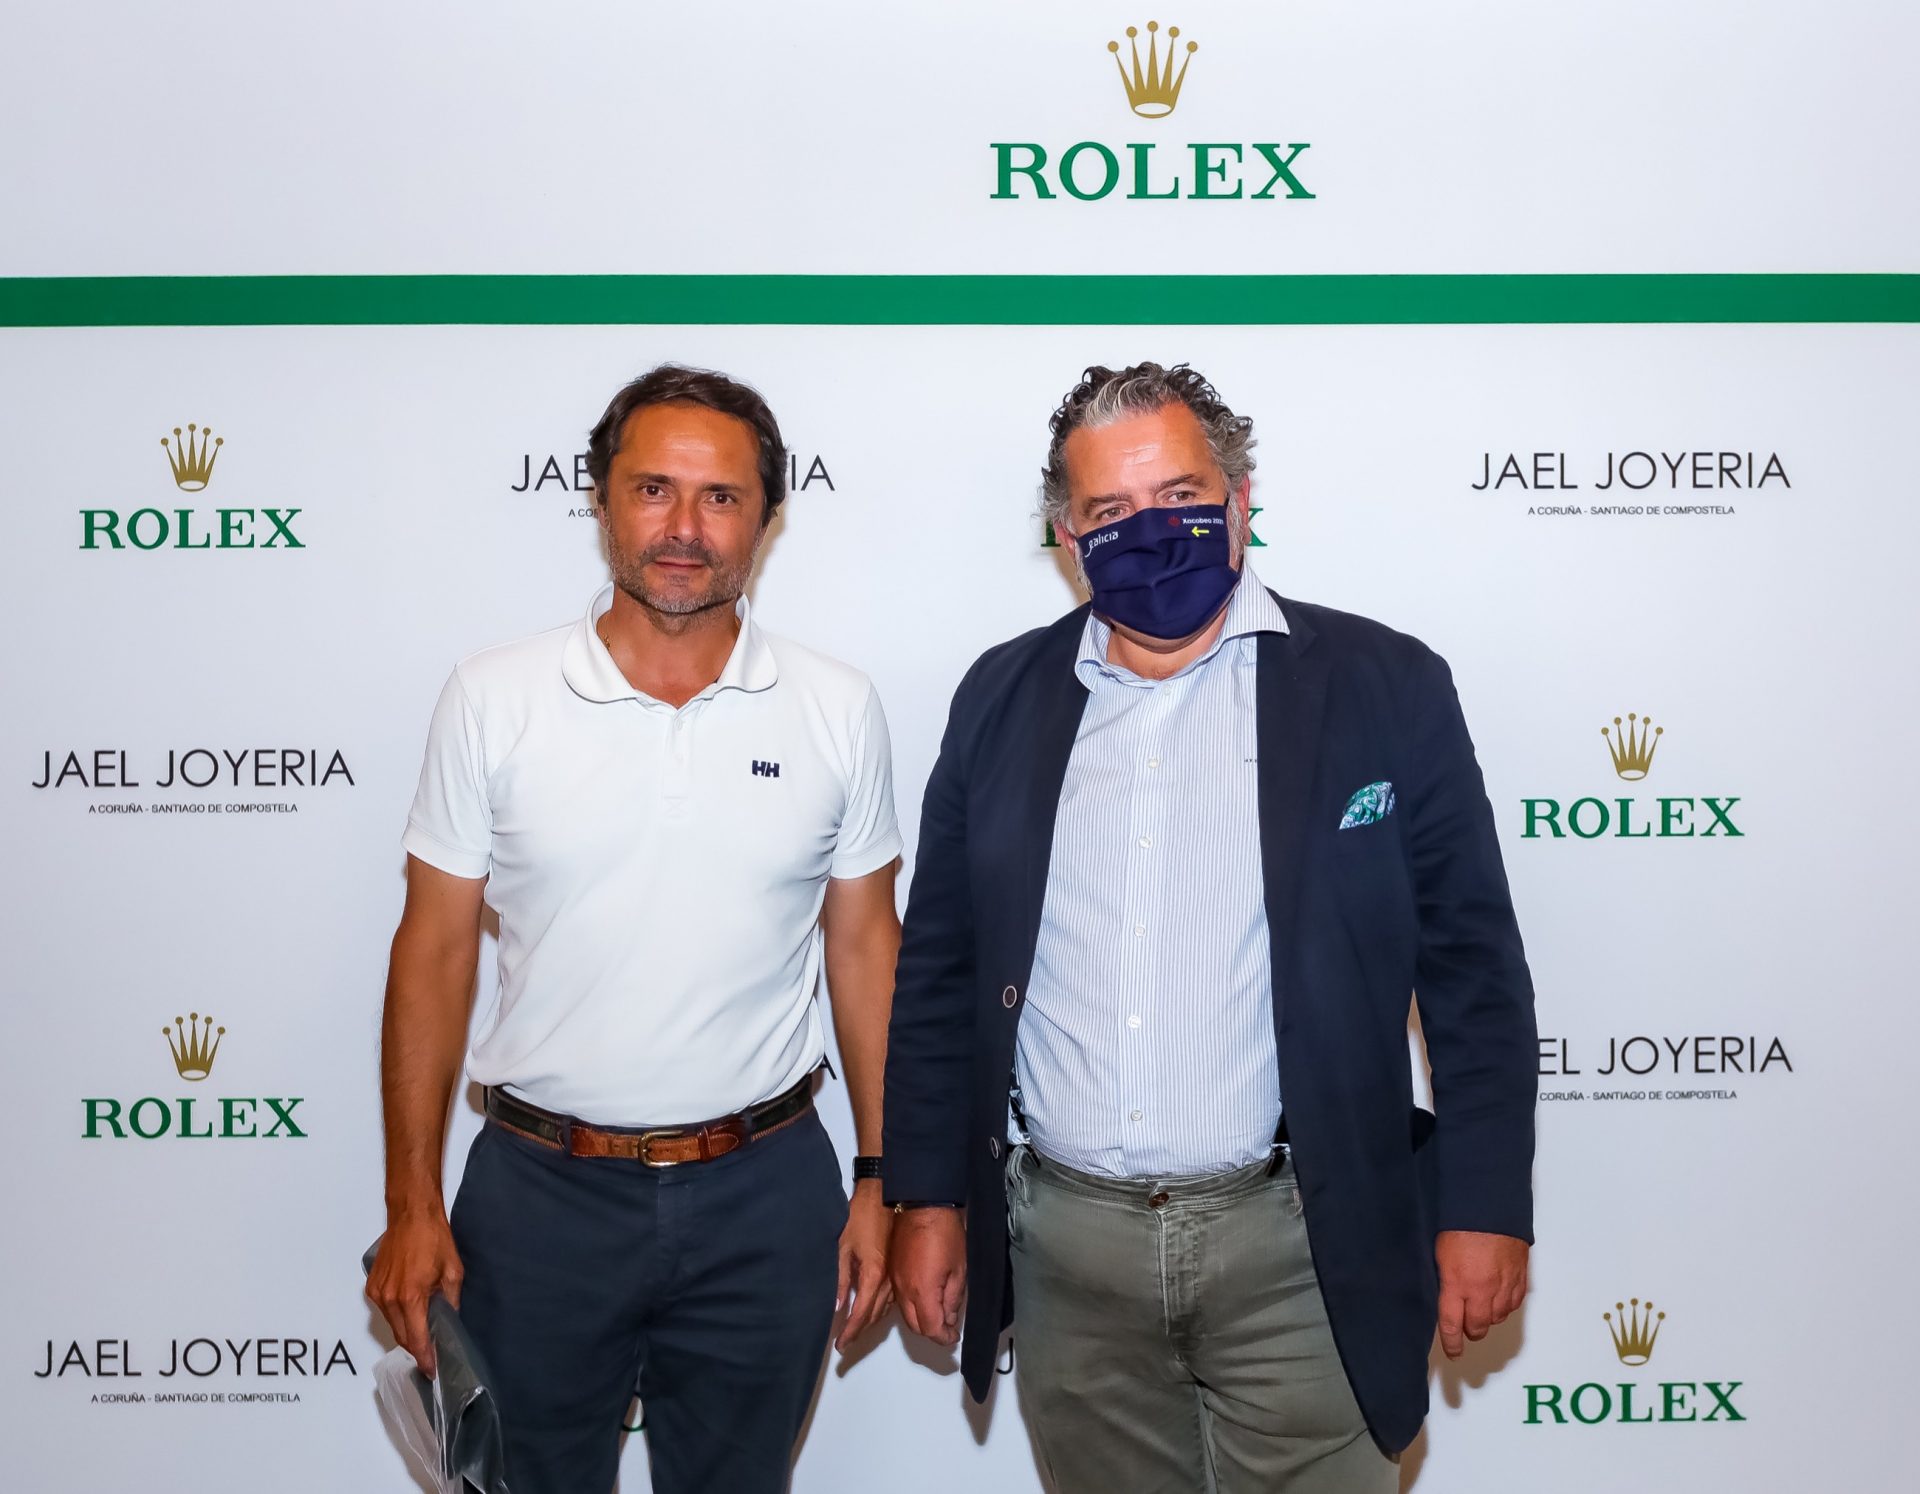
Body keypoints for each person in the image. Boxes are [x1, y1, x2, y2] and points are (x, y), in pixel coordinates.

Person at [884, 362, 1538, 1492]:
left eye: (1181, 496)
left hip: (1305, 1249)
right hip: (1070, 1262)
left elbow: (1474, 974)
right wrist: (927, 1196)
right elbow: (939, 970)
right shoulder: (998, 698)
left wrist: (1485, 1207)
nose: (1151, 532)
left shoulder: (1385, 684)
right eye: (1110, 510)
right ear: (1066, 537)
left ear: (1239, 503)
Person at [366, 364, 903, 1494]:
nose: (684, 528)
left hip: (767, 1196)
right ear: (602, 500)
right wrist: (411, 1204)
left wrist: (882, 1178)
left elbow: (865, 952)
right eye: (654, 489)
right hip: (538, 1197)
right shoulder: (493, 697)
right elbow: (434, 953)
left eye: (721, 498)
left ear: (767, 517)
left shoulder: (836, 706)